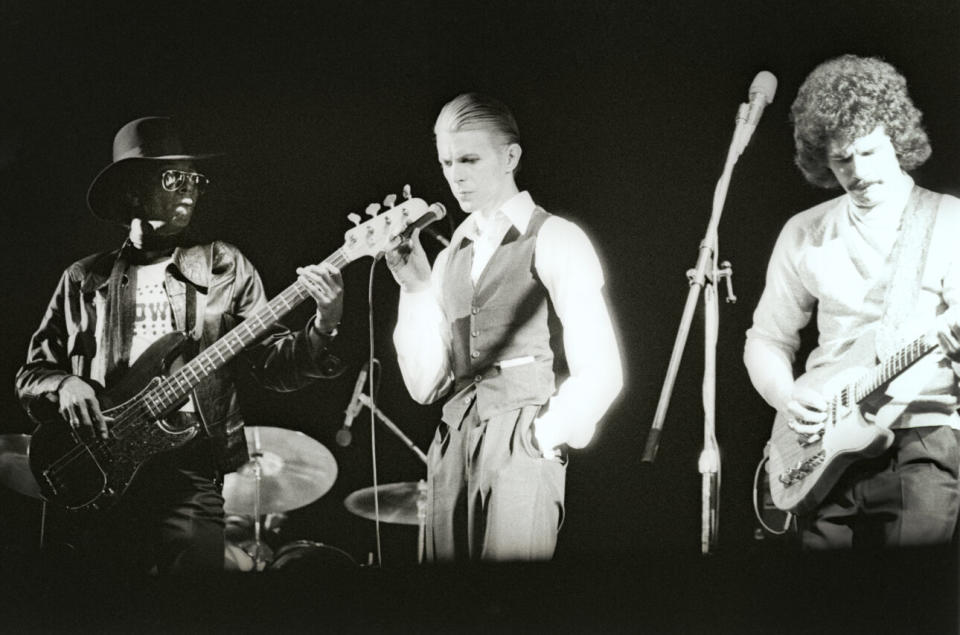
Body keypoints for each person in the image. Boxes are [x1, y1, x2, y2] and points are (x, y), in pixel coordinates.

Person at [15, 116, 346, 574]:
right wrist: (64, 383)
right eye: (174, 178)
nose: (189, 189)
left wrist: (325, 322)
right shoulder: (82, 278)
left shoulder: (225, 266)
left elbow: (275, 367)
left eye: (195, 179)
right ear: (132, 189)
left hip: (189, 470)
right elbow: (31, 374)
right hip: (98, 465)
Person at [385, 93, 623, 561]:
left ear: (510, 156)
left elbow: (603, 369)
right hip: (452, 440)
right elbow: (425, 384)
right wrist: (414, 287)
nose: (456, 174)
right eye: (447, 161)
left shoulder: (554, 236)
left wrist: (543, 436)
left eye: (470, 158)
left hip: (520, 435)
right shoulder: (452, 253)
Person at [744, 55, 960, 549]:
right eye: (842, 160)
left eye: (868, 152)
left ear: (897, 139)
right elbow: (766, 339)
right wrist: (785, 394)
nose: (857, 172)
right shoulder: (804, 231)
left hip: (921, 438)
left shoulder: (949, 221)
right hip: (822, 451)